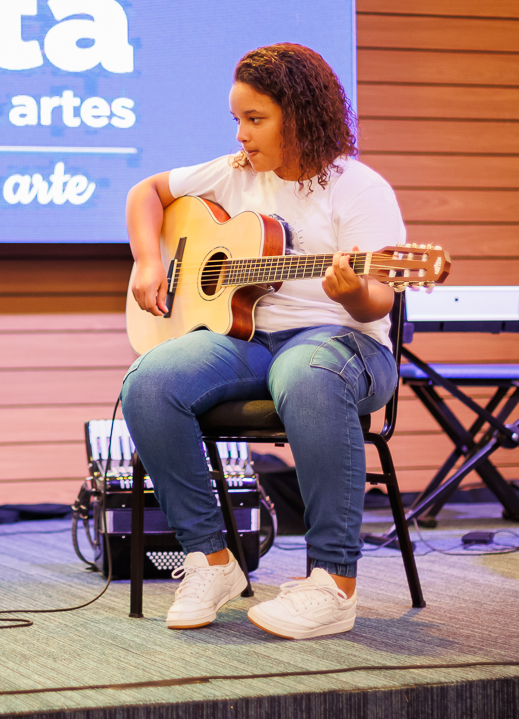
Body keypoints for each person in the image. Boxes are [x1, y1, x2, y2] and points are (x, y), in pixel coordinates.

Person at [122, 43, 404, 639]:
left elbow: (379, 301)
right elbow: (145, 192)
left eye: (255, 119)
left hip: (345, 344)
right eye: (237, 119)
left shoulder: (357, 188)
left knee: (307, 375)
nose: (242, 135)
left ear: (299, 114)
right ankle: (211, 560)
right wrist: (149, 261)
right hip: (249, 339)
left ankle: (333, 584)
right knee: (148, 383)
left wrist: (352, 291)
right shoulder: (234, 172)